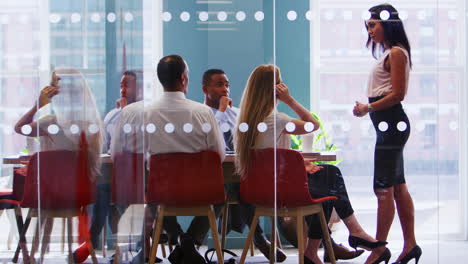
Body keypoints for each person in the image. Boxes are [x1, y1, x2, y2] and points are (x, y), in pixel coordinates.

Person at [235, 64, 385, 264]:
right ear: (276, 88)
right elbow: (312, 125)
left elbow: (269, 157)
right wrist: (289, 100)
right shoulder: (278, 120)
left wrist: (297, 162)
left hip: (258, 191)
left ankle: (322, 248)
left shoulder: (244, 122)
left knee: (329, 177)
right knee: (330, 179)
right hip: (281, 192)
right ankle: (340, 238)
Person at [353, 4, 421, 264]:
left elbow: (398, 94)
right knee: (398, 188)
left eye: (373, 25)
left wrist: (367, 107)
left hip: (391, 125)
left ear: (387, 23)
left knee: (382, 189)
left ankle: (379, 248)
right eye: (367, 26)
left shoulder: (396, 53)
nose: (369, 31)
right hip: (389, 126)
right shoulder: (389, 53)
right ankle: (410, 245)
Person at [141, 55, 225, 263]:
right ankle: (191, 240)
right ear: (183, 79)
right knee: (222, 197)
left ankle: (179, 239)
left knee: (153, 197)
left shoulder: (147, 114)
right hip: (202, 190)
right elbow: (219, 155)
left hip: (163, 191)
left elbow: (143, 156)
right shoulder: (203, 112)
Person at [14, 68, 103, 262]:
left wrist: (38, 104)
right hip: (79, 195)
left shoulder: (50, 123)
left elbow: (18, 128)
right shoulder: (92, 125)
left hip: (48, 196)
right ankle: (91, 245)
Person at [202, 69, 286, 262]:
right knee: (229, 189)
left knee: (245, 185)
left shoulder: (239, 114)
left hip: (240, 172)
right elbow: (210, 137)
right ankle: (259, 239)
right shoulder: (202, 114)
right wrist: (222, 111)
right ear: (205, 89)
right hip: (210, 177)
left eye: (227, 84)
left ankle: (259, 238)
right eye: (219, 84)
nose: (225, 89)